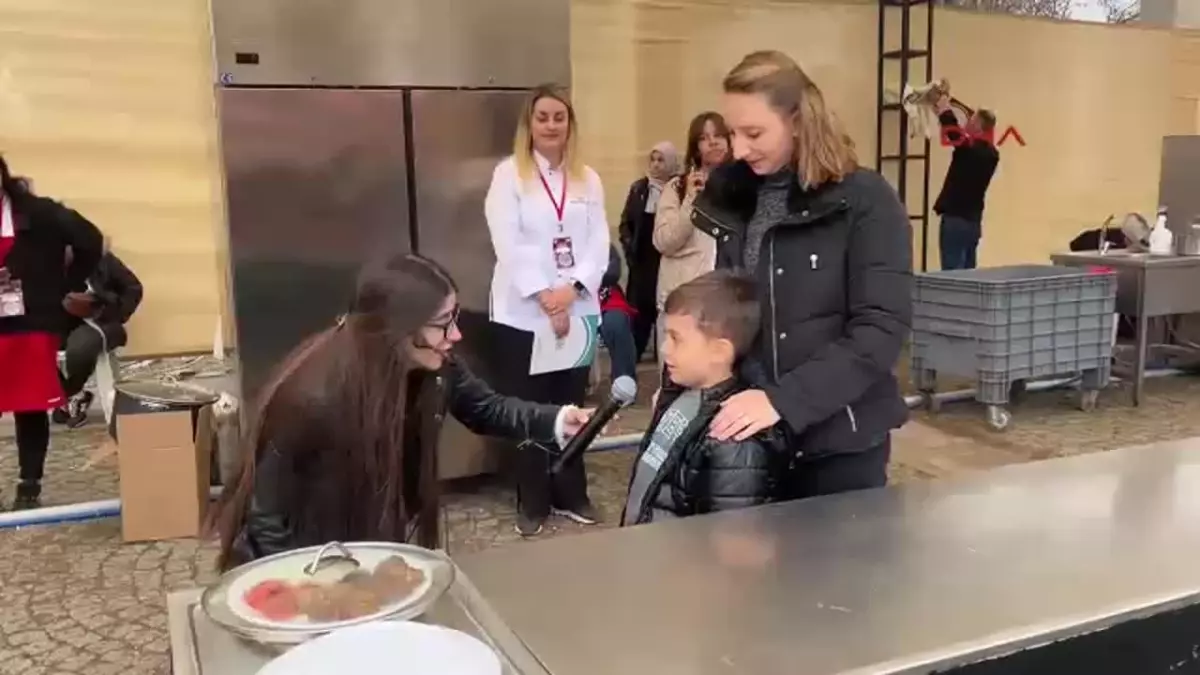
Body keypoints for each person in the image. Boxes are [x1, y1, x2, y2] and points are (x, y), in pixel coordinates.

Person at [211, 254, 593, 569]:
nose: (457, 335)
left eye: (455, 318)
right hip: (306, 554)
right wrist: (300, 588)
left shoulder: (436, 364)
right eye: (444, 324)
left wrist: (558, 420)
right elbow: (267, 519)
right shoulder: (313, 396)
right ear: (395, 329)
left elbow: (486, 409)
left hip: (372, 539)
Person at [695, 50, 912, 499]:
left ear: (797, 120)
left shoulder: (866, 200)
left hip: (840, 449)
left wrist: (783, 400)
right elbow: (731, 312)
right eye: (732, 132)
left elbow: (880, 330)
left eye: (753, 133)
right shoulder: (736, 199)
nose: (737, 149)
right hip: (756, 444)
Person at [483, 84, 609, 536]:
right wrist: (544, 296)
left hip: (577, 309)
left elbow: (598, 244)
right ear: (529, 125)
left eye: (559, 117)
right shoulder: (508, 176)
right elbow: (508, 243)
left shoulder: (587, 178)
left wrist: (571, 292)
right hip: (523, 314)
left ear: (569, 124)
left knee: (571, 404)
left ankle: (572, 493)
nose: (551, 125)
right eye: (543, 117)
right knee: (529, 407)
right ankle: (532, 499)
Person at [621, 271, 781, 526]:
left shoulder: (734, 439)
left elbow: (733, 539)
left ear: (720, 351)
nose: (664, 349)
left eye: (676, 339)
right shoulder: (678, 396)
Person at [0, 155, 104, 509]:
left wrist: (66, 285)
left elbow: (90, 241)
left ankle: (29, 485)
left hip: (31, 321)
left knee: (28, 405)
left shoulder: (41, 213)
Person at [653, 112, 732, 360]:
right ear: (695, 147)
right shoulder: (676, 188)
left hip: (726, 303)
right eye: (704, 138)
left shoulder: (745, 186)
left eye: (719, 135)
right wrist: (691, 200)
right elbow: (664, 241)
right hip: (684, 302)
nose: (713, 143)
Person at [53, 242, 143, 427]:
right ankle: (73, 397)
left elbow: (133, 288)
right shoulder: (37, 261)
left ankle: (68, 396)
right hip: (59, 322)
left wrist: (113, 313)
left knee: (81, 348)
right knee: (31, 346)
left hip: (101, 320)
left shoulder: (100, 259)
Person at [618, 142, 678, 360]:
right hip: (642, 260)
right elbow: (626, 223)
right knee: (639, 311)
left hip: (666, 259)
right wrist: (628, 249)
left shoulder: (678, 188)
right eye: (652, 159)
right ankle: (632, 357)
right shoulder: (639, 189)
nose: (655, 165)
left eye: (661, 160)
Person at [933, 86, 1000, 271]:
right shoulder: (992, 154)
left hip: (956, 220)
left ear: (978, 125)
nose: (968, 123)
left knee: (953, 276)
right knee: (969, 275)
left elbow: (955, 135)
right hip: (973, 222)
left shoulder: (971, 149)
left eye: (972, 120)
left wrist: (946, 109)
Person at [598, 245, 638, 384]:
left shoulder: (600, 239)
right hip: (562, 299)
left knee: (616, 323)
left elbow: (613, 271)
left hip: (604, 294)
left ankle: (624, 382)